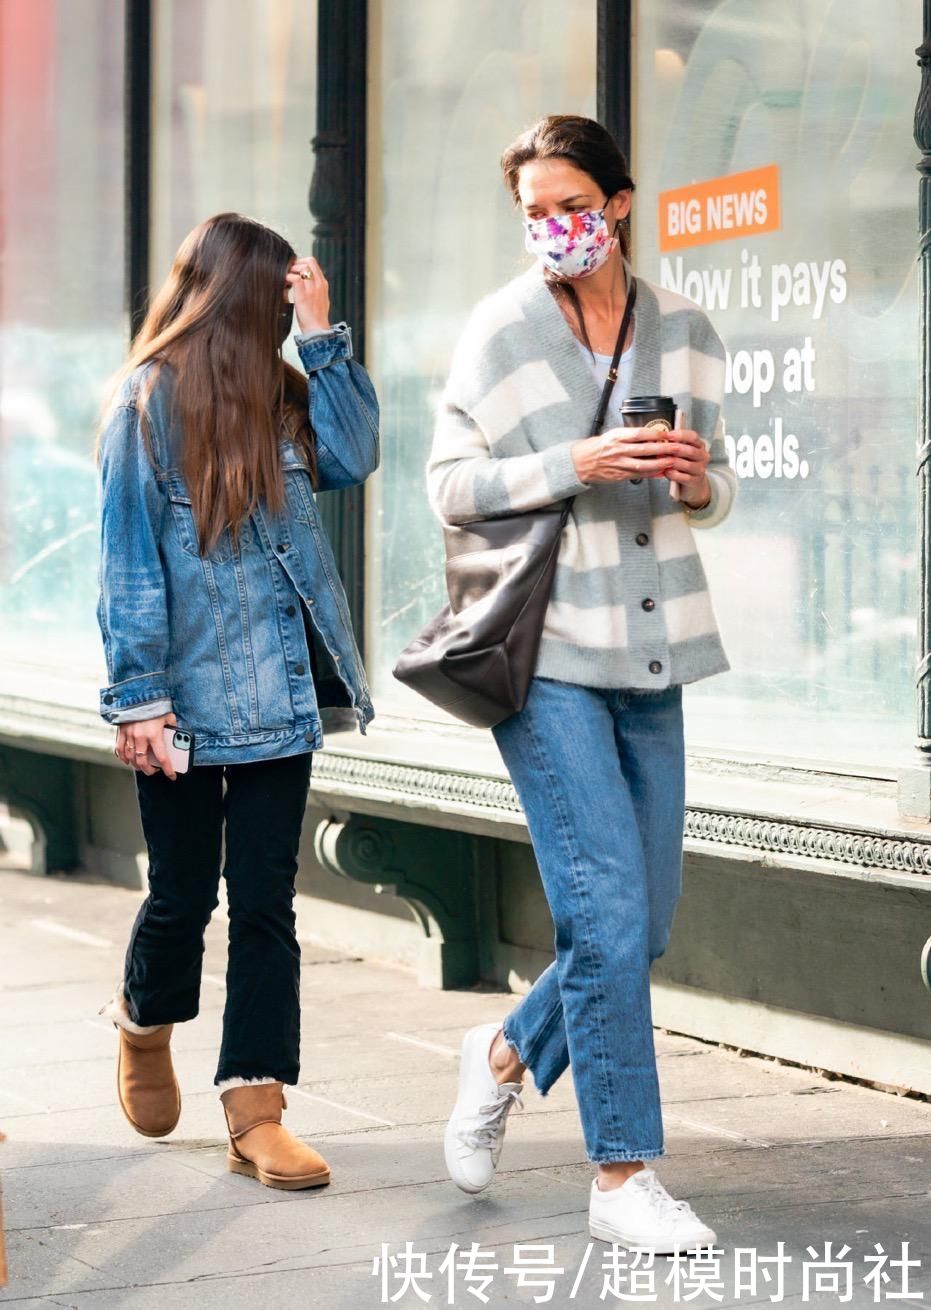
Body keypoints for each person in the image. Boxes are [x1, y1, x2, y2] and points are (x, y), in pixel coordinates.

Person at [431, 116, 735, 1251]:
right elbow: (450, 487)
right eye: (529, 211)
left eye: (566, 202)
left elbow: (713, 493)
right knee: (602, 912)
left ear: (616, 202)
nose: (548, 226)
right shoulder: (500, 331)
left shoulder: (689, 332)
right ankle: (621, 1177)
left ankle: (504, 1051)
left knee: (639, 923)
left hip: (656, 651)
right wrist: (577, 462)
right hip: (547, 651)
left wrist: (698, 483)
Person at [96, 212, 379, 1191]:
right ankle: (143, 1025)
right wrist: (139, 701)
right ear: (229, 299)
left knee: (266, 904)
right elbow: (128, 565)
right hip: (180, 705)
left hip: (281, 703)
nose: (272, 322)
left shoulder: (287, 397)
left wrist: (323, 335)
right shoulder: (146, 403)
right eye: (268, 303)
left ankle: (256, 1108)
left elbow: (356, 453)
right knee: (183, 893)